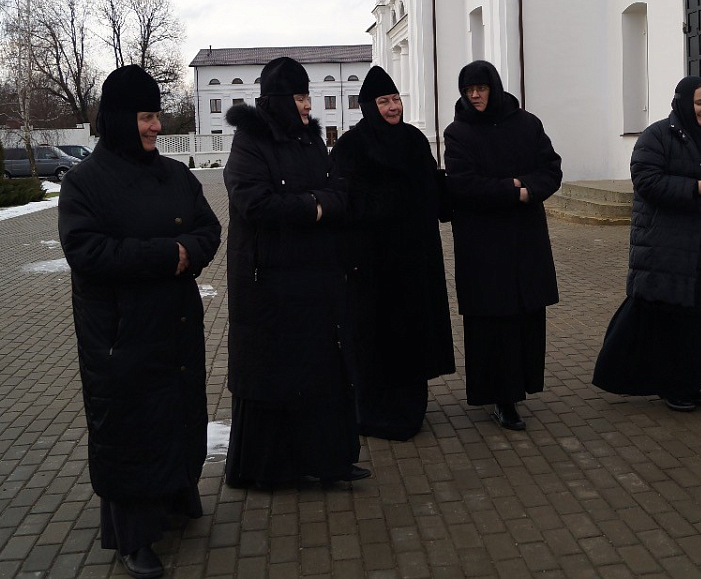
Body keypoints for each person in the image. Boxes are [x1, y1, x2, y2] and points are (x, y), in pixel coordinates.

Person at [58, 65, 221, 579]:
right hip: (120, 332)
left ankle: (175, 498)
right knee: (129, 428)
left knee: (176, 414)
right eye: (147, 117)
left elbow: (208, 228)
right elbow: (86, 251)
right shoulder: (85, 182)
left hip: (175, 321)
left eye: (156, 116)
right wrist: (166, 255)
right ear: (120, 119)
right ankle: (133, 536)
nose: (156, 127)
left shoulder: (175, 174)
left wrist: (188, 250)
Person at [222, 56, 369, 486]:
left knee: (320, 370)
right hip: (268, 282)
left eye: (308, 96)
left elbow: (339, 190)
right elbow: (255, 203)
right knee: (274, 375)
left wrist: (316, 204)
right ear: (280, 100)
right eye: (301, 97)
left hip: (315, 278)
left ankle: (325, 461)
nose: (308, 105)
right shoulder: (250, 142)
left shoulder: (310, 139)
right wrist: (315, 207)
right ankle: (270, 469)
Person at [593, 76, 701, 411]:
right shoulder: (657, 136)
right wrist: (697, 188)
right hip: (666, 244)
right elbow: (646, 181)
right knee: (672, 316)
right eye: (699, 103)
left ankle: (693, 381)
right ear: (684, 102)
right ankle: (672, 385)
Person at [329, 66, 455, 440]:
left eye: (396, 99)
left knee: (412, 336)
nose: (393, 107)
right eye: (384, 101)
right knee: (374, 339)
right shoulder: (351, 146)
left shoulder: (414, 140)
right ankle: (373, 413)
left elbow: (432, 188)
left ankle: (411, 409)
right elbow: (344, 204)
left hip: (415, 260)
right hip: (372, 264)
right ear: (370, 106)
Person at [443, 60, 562, 431]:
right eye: (468, 90)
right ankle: (501, 397)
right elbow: (464, 185)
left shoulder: (527, 124)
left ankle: (520, 387)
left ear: (493, 87)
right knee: (492, 321)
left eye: (481, 88)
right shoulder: (458, 132)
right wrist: (514, 189)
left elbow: (551, 169)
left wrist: (527, 189)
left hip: (525, 239)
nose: (475, 96)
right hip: (482, 245)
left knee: (525, 317)